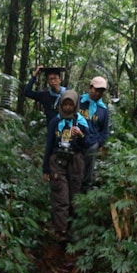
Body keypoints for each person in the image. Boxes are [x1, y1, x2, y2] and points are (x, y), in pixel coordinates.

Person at [42, 89, 93, 242]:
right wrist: (46, 168)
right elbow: (49, 145)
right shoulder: (55, 122)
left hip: (75, 161)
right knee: (60, 197)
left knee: (74, 196)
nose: (68, 107)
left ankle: (73, 230)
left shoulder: (82, 122)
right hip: (57, 161)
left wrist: (81, 135)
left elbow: (88, 144)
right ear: (61, 105)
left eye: (71, 104)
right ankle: (60, 231)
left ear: (76, 105)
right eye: (65, 104)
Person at [79, 76, 110, 192]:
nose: (98, 93)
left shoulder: (103, 110)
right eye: (96, 90)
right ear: (90, 88)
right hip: (76, 141)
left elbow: (104, 131)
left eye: (101, 91)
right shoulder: (79, 102)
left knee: (87, 171)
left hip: (91, 144)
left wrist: (98, 143)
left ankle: (85, 191)